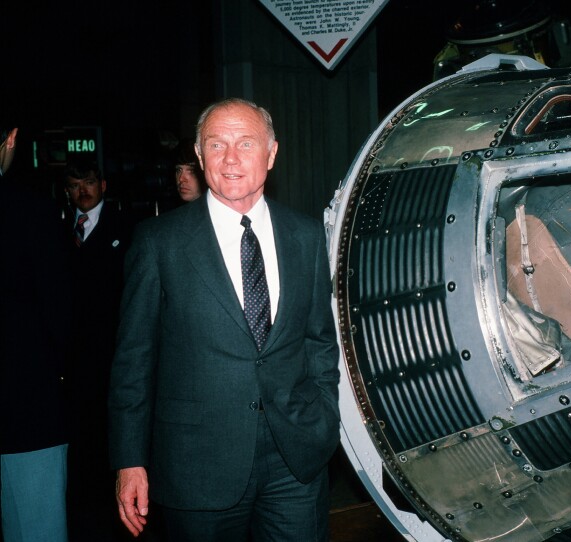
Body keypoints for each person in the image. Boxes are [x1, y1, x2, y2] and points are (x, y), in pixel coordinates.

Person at [109, 98, 341, 541]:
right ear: (199, 156)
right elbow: (133, 360)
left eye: (245, 143)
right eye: (216, 145)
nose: (231, 158)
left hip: (296, 461)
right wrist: (128, 460)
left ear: (271, 154)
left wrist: (324, 419)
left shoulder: (306, 235)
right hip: (196, 464)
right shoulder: (160, 243)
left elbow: (319, 341)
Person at [0, 125, 73, 542]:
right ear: (11, 140)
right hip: (24, 406)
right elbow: (58, 311)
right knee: (35, 527)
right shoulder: (31, 211)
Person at [63, 159, 132, 540]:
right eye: (74, 185)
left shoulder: (127, 228)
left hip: (113, 354)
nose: (82, 191)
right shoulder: (61, 231)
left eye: (88, 182)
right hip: (75, 362)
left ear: (103, 184)